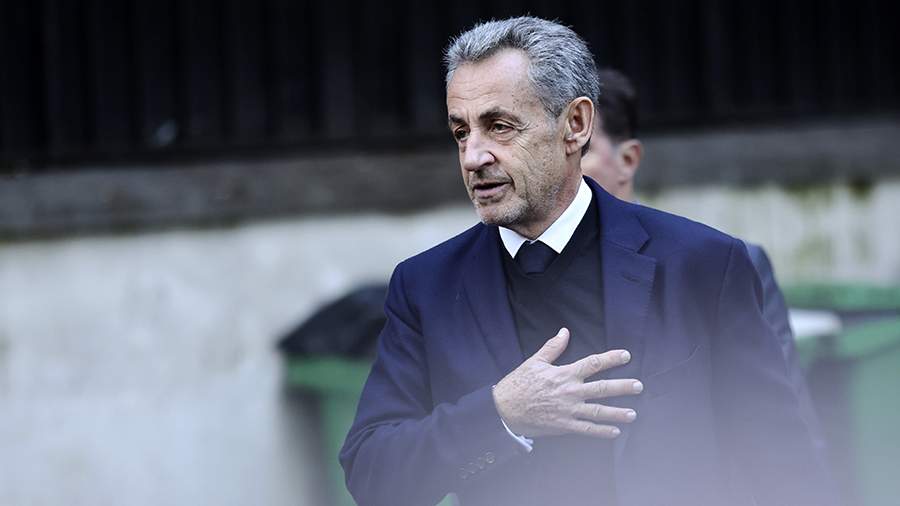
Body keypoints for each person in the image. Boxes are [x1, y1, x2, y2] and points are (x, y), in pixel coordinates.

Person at [341, 17, 831, 506]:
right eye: (461, 132)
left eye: (499, 127)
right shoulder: (426, 286)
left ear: (575, 125)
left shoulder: (701, 264)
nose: (472, 157)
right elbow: (372, 475)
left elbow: (785, 465)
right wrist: (500, 414)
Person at [581, 69, 826, 456]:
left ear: (627, 159)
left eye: (583, 148)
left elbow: (786, 432)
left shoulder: (718, 266)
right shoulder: (524, 273)